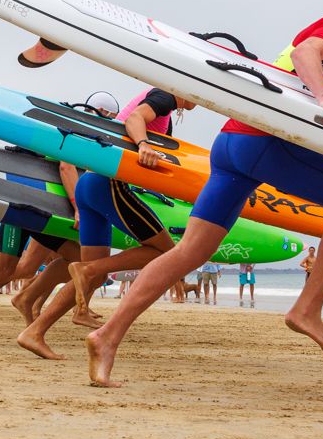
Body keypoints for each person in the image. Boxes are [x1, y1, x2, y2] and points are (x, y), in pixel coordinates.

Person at [86, 0, 323, 386]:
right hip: (264, 143)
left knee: (190, 252)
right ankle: (307, 310)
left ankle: (106, 336)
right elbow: (305, 53)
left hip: (231, 145)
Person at [17, 87, 196, 360]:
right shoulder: (166, 95)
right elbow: (134, 118)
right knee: (167, 252)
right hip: (108, 184)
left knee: (95, 276)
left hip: (90, 183)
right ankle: (87, 269)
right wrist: (144, 145)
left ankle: (34, 332)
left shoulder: (165, 107)